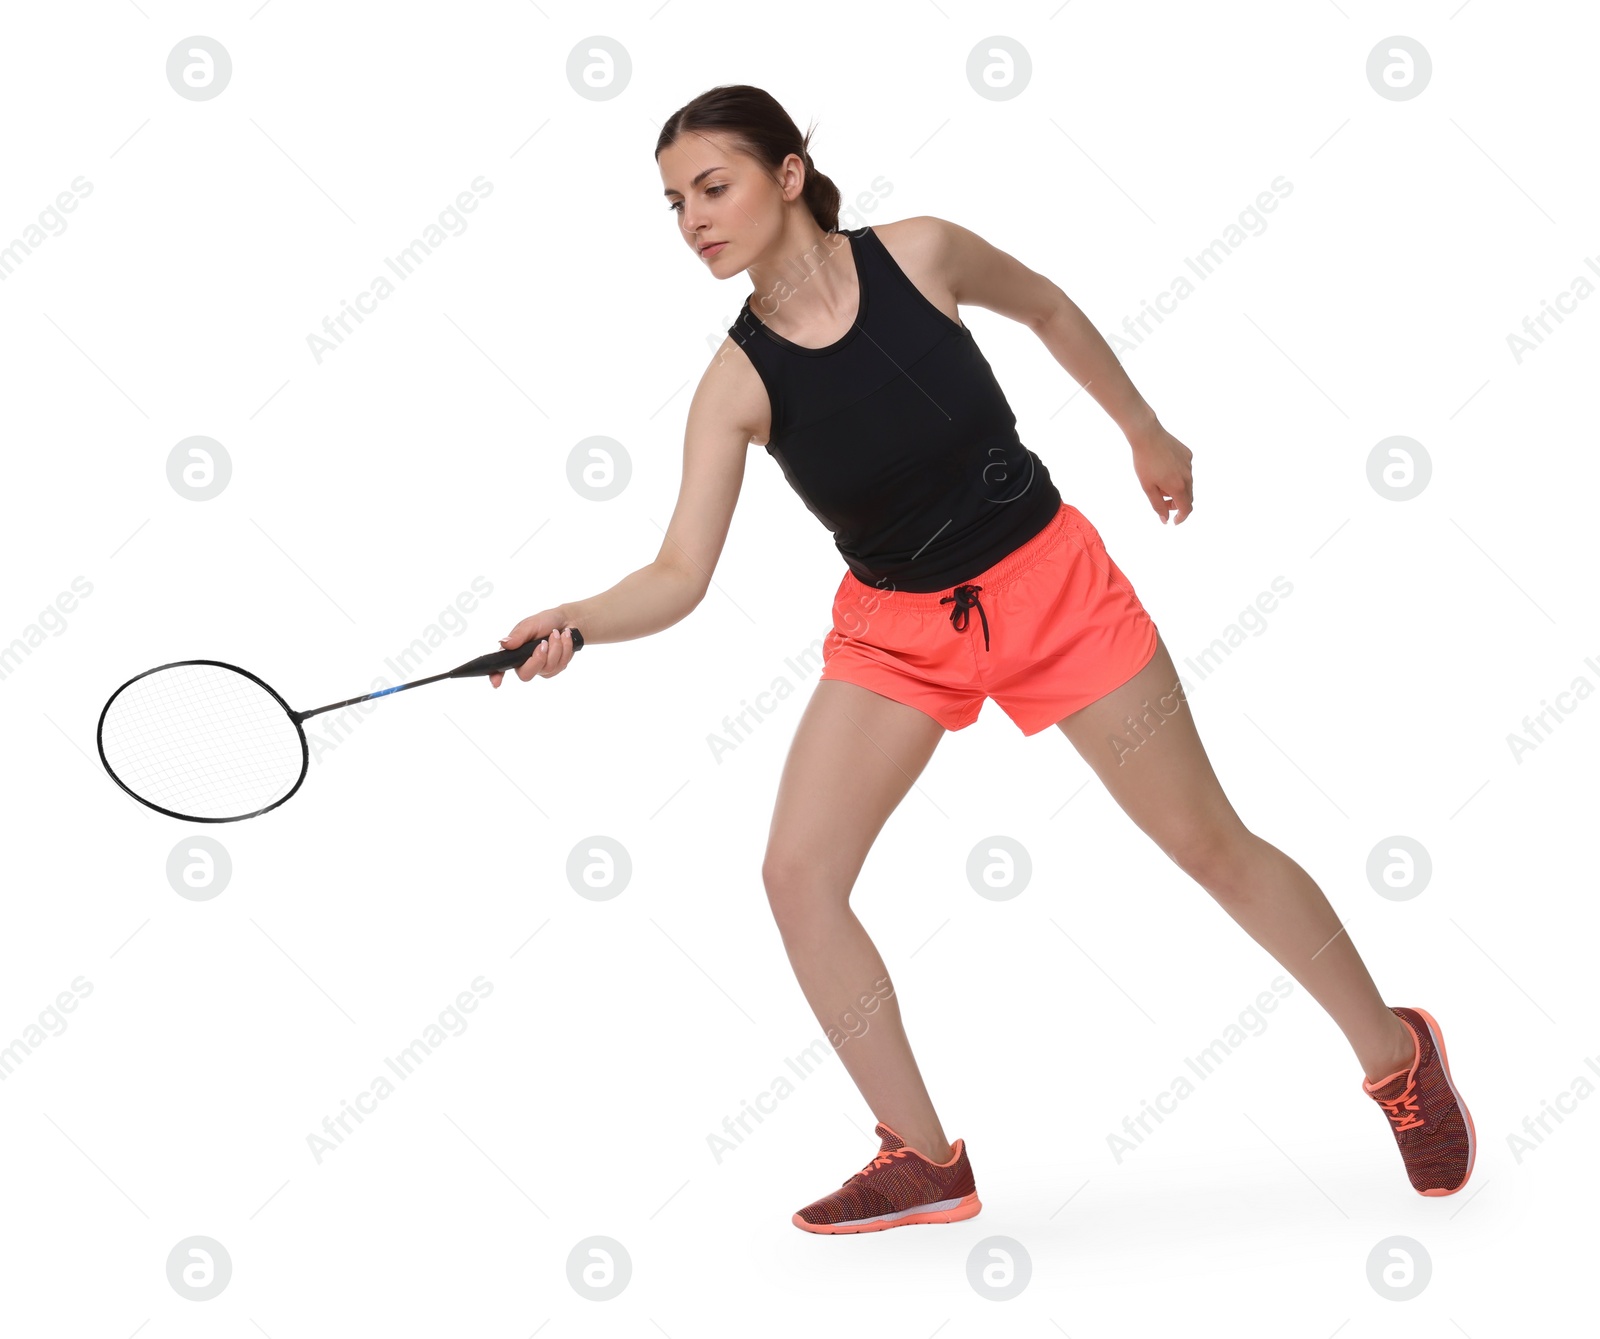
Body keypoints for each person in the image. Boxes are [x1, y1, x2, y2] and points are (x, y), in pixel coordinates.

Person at [491, 84, 1475, 1234]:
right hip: (899, 629)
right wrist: (573, 619)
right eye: (672, 204)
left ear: (790, 175)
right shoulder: (735, 386)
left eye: (713, 187)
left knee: (1205, 841)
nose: (692, 220)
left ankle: (1395, 1053)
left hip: (1051, 585)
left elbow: (1049, 309)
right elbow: (678, 575)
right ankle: (921, 1156)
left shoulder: (921, 253)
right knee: (796, 875)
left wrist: (1144, 429)